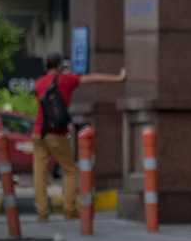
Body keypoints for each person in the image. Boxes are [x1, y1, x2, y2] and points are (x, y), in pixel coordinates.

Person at [31, 53, 125, 221]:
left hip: (38, 132)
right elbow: (93, 78)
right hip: (56, 133)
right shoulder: (66, 79)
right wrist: (118, 78)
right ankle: (69, 209)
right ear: (60, 65)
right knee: (70, 170)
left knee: (40, 173)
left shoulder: (39, 83)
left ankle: (42, 213)